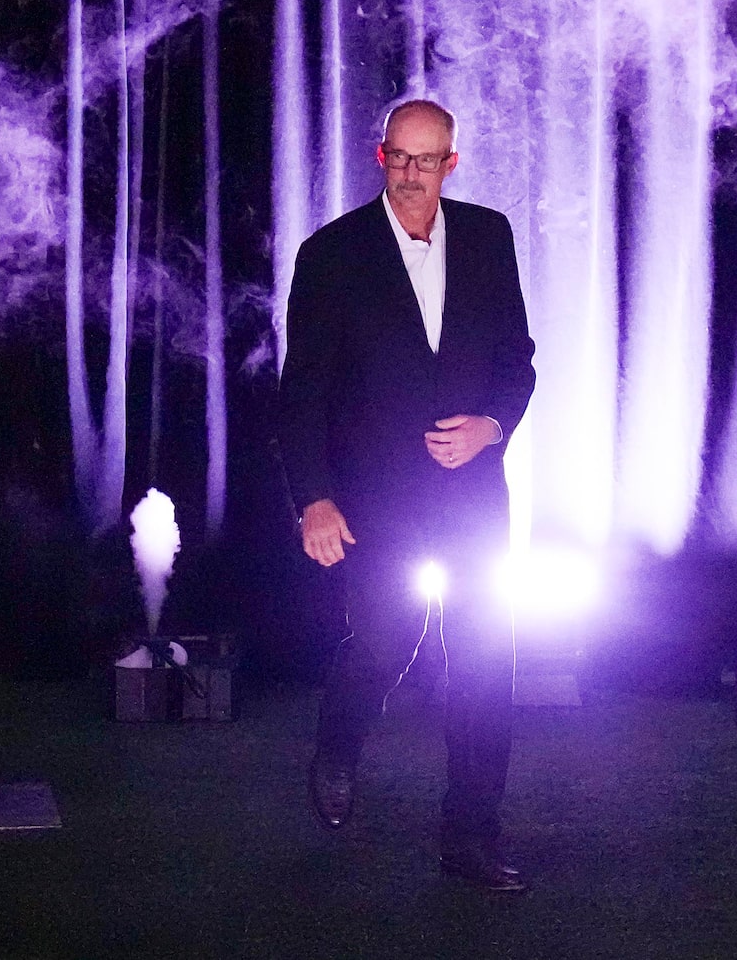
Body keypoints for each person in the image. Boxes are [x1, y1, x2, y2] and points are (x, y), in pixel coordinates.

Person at [276, 99, 536, 892]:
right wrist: (314, 498)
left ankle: (471, 839)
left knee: (488, 661)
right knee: (387, 643)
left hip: (471, 495)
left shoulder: (489, 237)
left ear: (452, 162)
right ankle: (339, 743)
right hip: (376, 496)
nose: (414, 174)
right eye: (401, 158)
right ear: (379, 156)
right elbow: (302, 391)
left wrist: (492, 425)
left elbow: (518, 360)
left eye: (430, 160)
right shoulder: (332, 255)